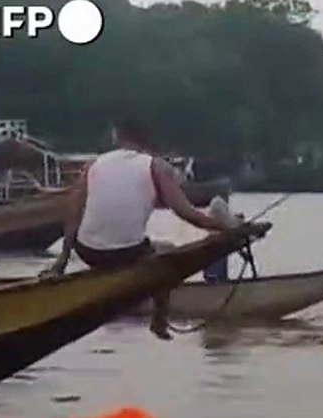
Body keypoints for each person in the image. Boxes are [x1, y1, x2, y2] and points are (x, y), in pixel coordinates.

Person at [42, 117, 246, 340]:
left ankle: (128, 296)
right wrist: (226, 228)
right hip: (127, 253)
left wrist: (62, 260)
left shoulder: (93, 165)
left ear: (117, 137)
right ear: (147, 140)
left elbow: (73, 212)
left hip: (87, 251)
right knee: (167, 252)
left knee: (147, 247)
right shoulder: (156, 167)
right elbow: (186, 213)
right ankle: (159, 319)